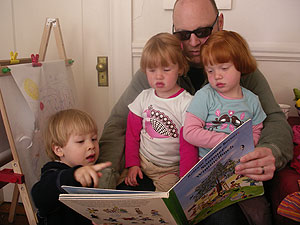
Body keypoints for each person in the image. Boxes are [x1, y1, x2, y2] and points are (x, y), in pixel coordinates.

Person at [98, 0, 293, 224]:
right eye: (182, 34)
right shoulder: (158, 69)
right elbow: (118, 124)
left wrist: (271, 151)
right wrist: (105, 182)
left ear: (219, 22)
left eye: (202, 32)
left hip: (217, 181)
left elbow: (276, 120)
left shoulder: (241, 69)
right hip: (154, 170)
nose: (193, 42)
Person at [116, 32, 194, 192]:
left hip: (169, 170)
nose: (158, 76)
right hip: (143, 161)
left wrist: (186, 178)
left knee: (166, 203)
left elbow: (189, 146)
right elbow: (132, 134)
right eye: (152, 70)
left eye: (166, 69)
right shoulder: (143, 98)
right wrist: (133, 164)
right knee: (120, 190)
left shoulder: (187, 103)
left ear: (179, 68)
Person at [182, 30, 266, 169]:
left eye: (224, 68)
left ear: (241, 65)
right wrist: (226, 142)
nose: (217, 76)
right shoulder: (204, 96)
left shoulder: (252, 100)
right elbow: (189, 132)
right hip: (207, 165)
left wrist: (245, 147)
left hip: (239, 165)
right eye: (210, 71)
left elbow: (256, 131)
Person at [31, 109, 112, 225]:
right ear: (58, 150)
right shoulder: (52, 171)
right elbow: (39, 195)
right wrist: (73, 176)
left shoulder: (89, 171)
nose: (91, 146)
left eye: (93, 139)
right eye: (80, 141)